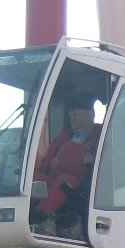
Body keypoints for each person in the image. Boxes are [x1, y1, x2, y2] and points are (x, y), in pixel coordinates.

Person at [33, 96, 101, 238]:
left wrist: (65, 161)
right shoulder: (64, 136)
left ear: (90, 114)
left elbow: (94, 161)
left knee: (65, 181)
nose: (72, 119)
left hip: (85, 185)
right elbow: (48, 162)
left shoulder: (101, 135)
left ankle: (45, 219)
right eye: (70, 115)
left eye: (76, 114)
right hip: (54, 178)